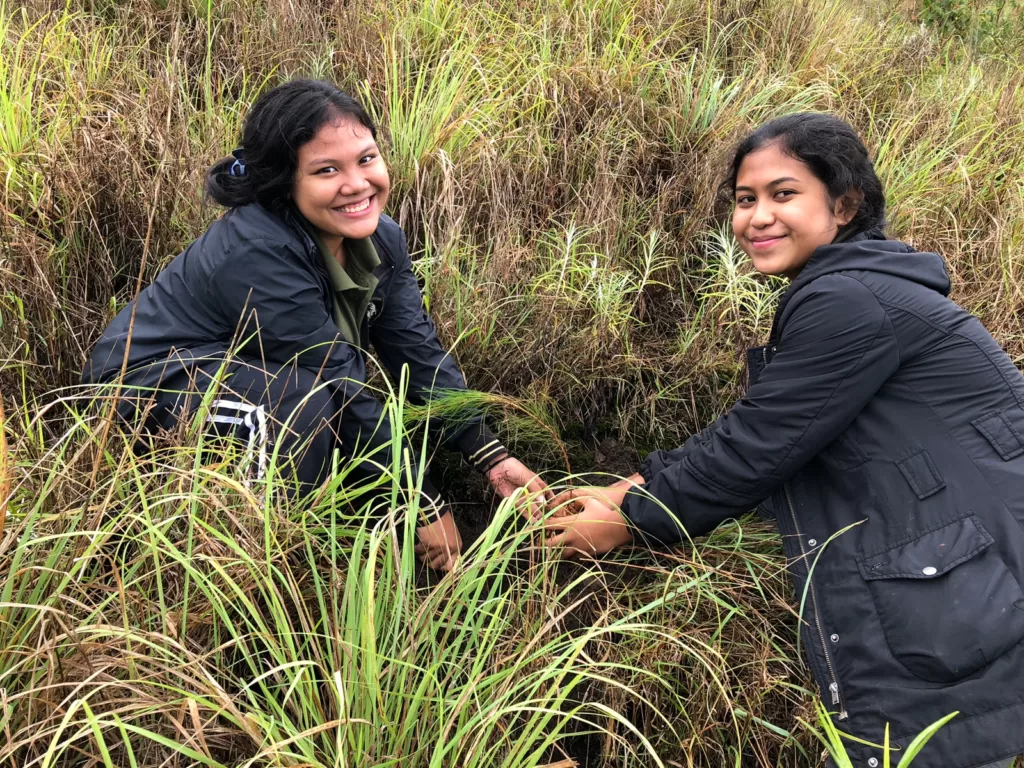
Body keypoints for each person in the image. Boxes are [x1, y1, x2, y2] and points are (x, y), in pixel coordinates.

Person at [544, 113, 1024, 767]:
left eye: (783, 193)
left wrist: (630, 520)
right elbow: (765, 428)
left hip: (961, 601)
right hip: (966, 593)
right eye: (746, 200)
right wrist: (626, 488)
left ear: (845, 204)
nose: (757, 217)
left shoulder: (847, 299)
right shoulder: (862, 290)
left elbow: (758, 445)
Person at [82, 79, 548, 572]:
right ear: (286, 182)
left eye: (366, 159)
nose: (357, 184)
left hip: (251, 372)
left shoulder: (381, 239)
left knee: (317, 402)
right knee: (303, 406)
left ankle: (340, 523)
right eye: (327, 170)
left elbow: (417, 352)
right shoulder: (258, 251)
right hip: (146, 384)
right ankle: (259, 562)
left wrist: (488, 453)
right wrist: (425, 504)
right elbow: (340, 381)